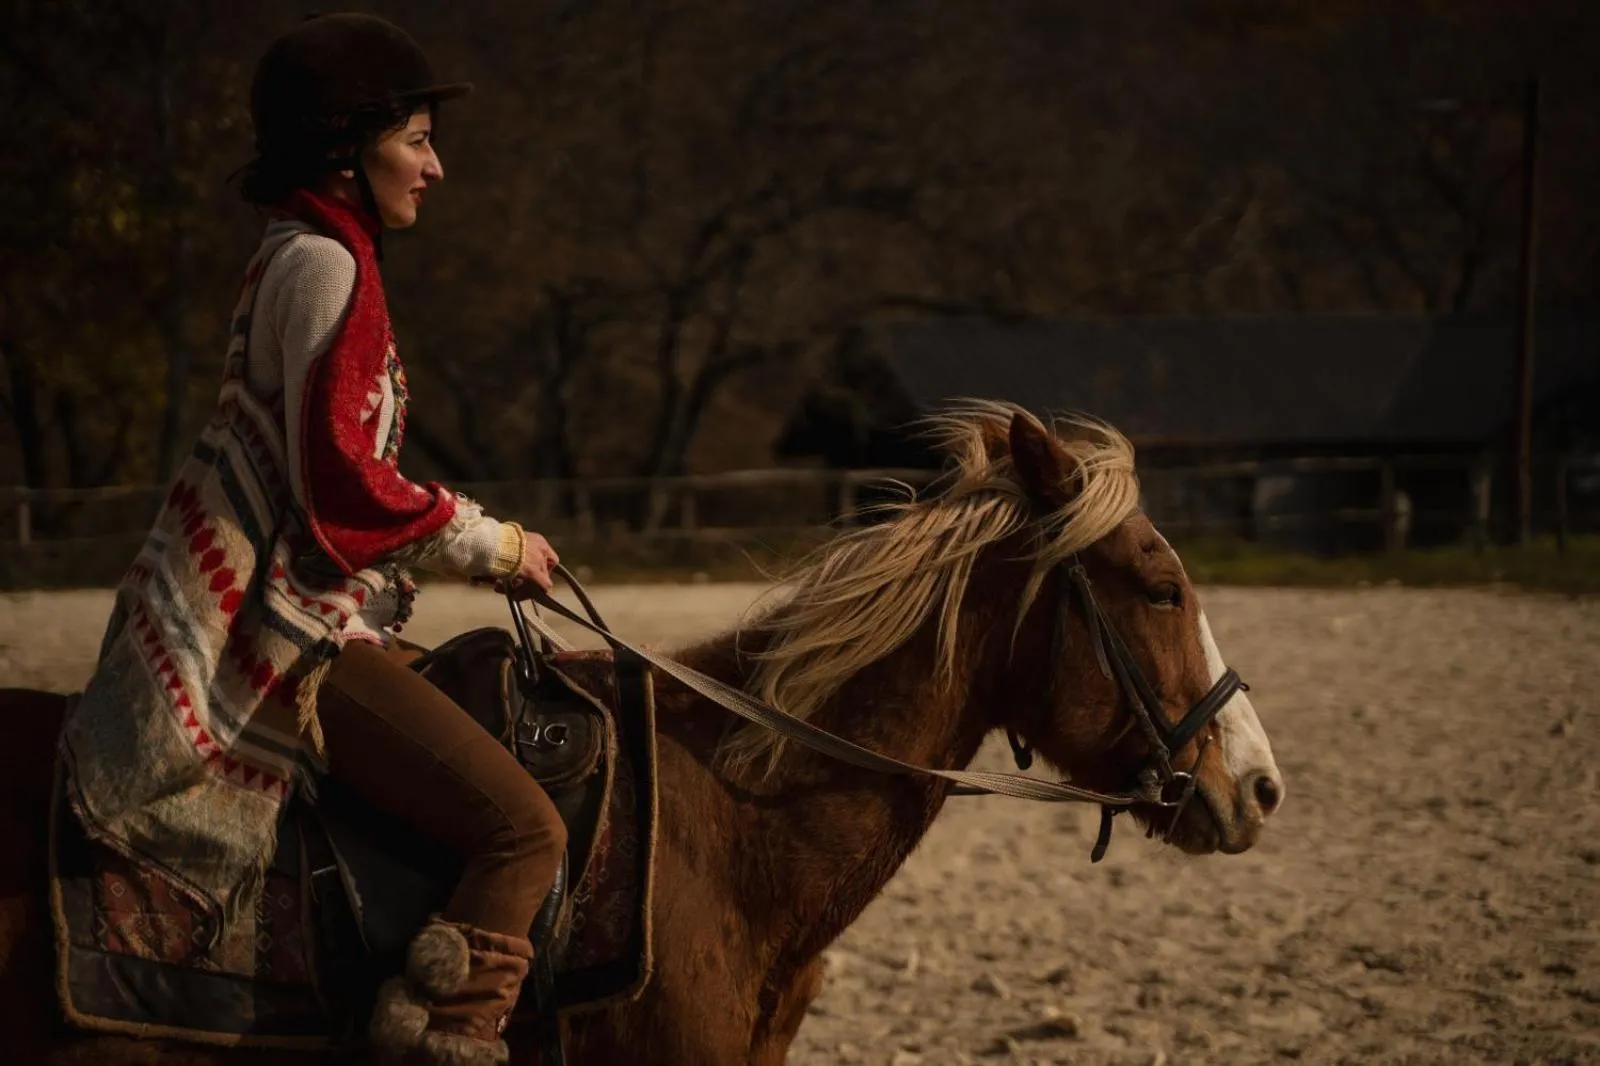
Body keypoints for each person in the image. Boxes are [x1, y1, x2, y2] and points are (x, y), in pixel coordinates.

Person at [58, 13, 565, 1065]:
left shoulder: (301, 252)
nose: (436, 166)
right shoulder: (327, 265)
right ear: (345, 149)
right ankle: (452, 1042)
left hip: (311, 610)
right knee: (526, 831)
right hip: (294, 635)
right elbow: (342, 490)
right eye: (416, 140)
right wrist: (498, 547)